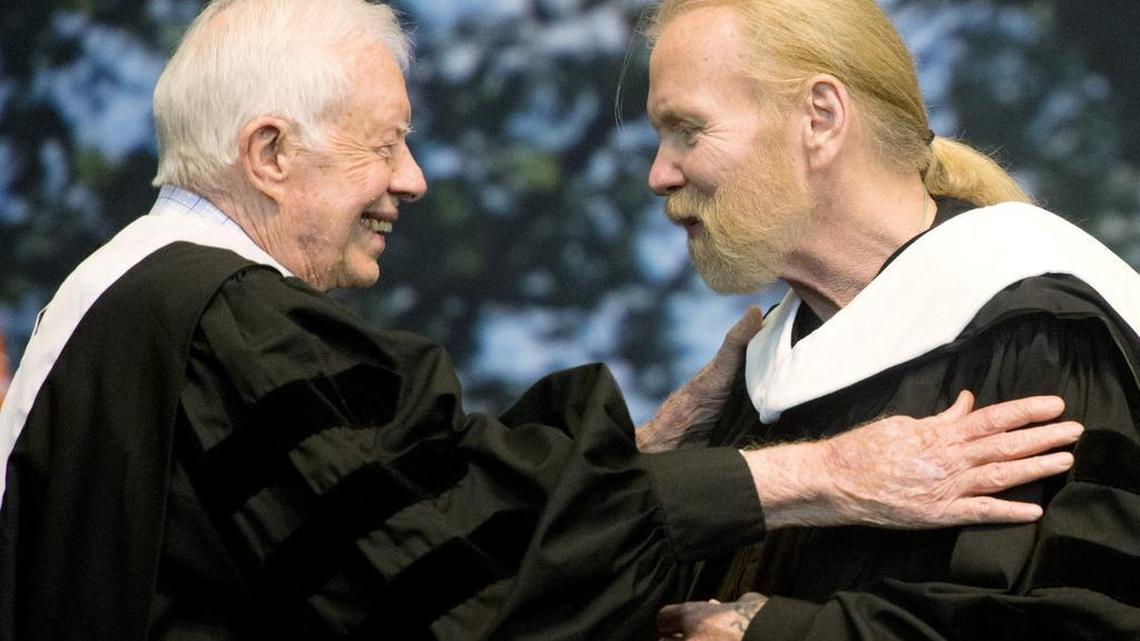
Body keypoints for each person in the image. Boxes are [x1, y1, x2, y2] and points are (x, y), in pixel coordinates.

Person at [0, 1, 1083, 640]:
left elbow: (405, 511)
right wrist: (819, 473)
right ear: (269, 153)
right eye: (385, 145)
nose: (412, 182)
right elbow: (453, 577)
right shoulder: (221, 318)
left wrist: (648, 448)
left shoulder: (133, 307)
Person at [641, 1, 1140, 639]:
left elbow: (1083, 620)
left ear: (819, 117)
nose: (660, 174)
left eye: (688, 129)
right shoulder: (748, 386)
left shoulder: (1037, 329)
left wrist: (768, 633)